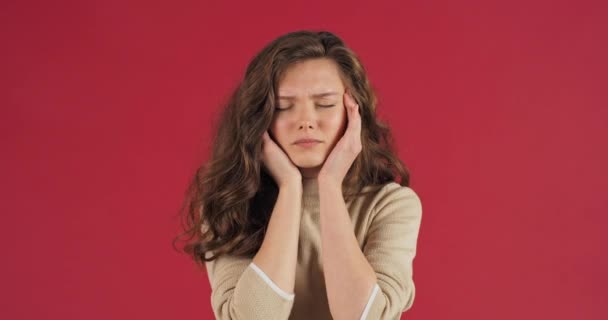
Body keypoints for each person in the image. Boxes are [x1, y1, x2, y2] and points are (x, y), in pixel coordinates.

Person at [173, 30, 423, 320]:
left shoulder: (391, 205)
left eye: (325, 104)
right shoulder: (232, 204)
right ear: (260, 117)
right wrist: (290, 188)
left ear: (354, 112)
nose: (305, 121)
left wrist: (329, 185)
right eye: (283, 106)